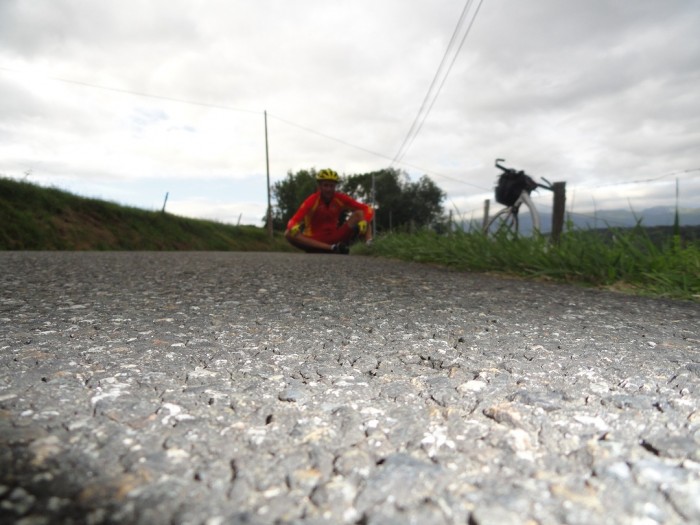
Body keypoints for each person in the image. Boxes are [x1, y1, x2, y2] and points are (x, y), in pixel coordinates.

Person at [285, 168, 374, 254]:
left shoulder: (340, 198)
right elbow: (294, 220)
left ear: (335, 186)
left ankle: (369, 246)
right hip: (314, 239)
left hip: (335, 236)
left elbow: (367, 208)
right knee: (288, 233)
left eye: (331, 186)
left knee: (360, 214)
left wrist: (365, 220)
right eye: (325, 185)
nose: (329, 189)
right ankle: (332, 248)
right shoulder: (312, 200)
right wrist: (292, 226)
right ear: (319, 186)